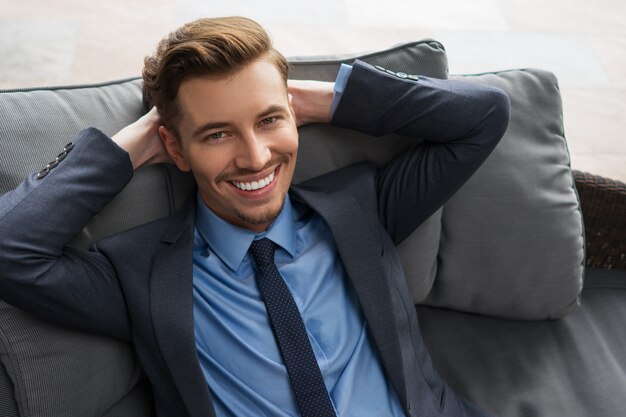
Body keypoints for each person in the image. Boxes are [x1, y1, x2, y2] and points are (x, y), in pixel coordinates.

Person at [0, 16, 509, 417]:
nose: (256, 157)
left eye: (269, 121)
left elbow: (484, 116)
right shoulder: (142, 276)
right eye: (217, 134)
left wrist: (332, 100)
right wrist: (127, 149)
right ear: (175, 148)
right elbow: (11, 249)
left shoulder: (360, 207)